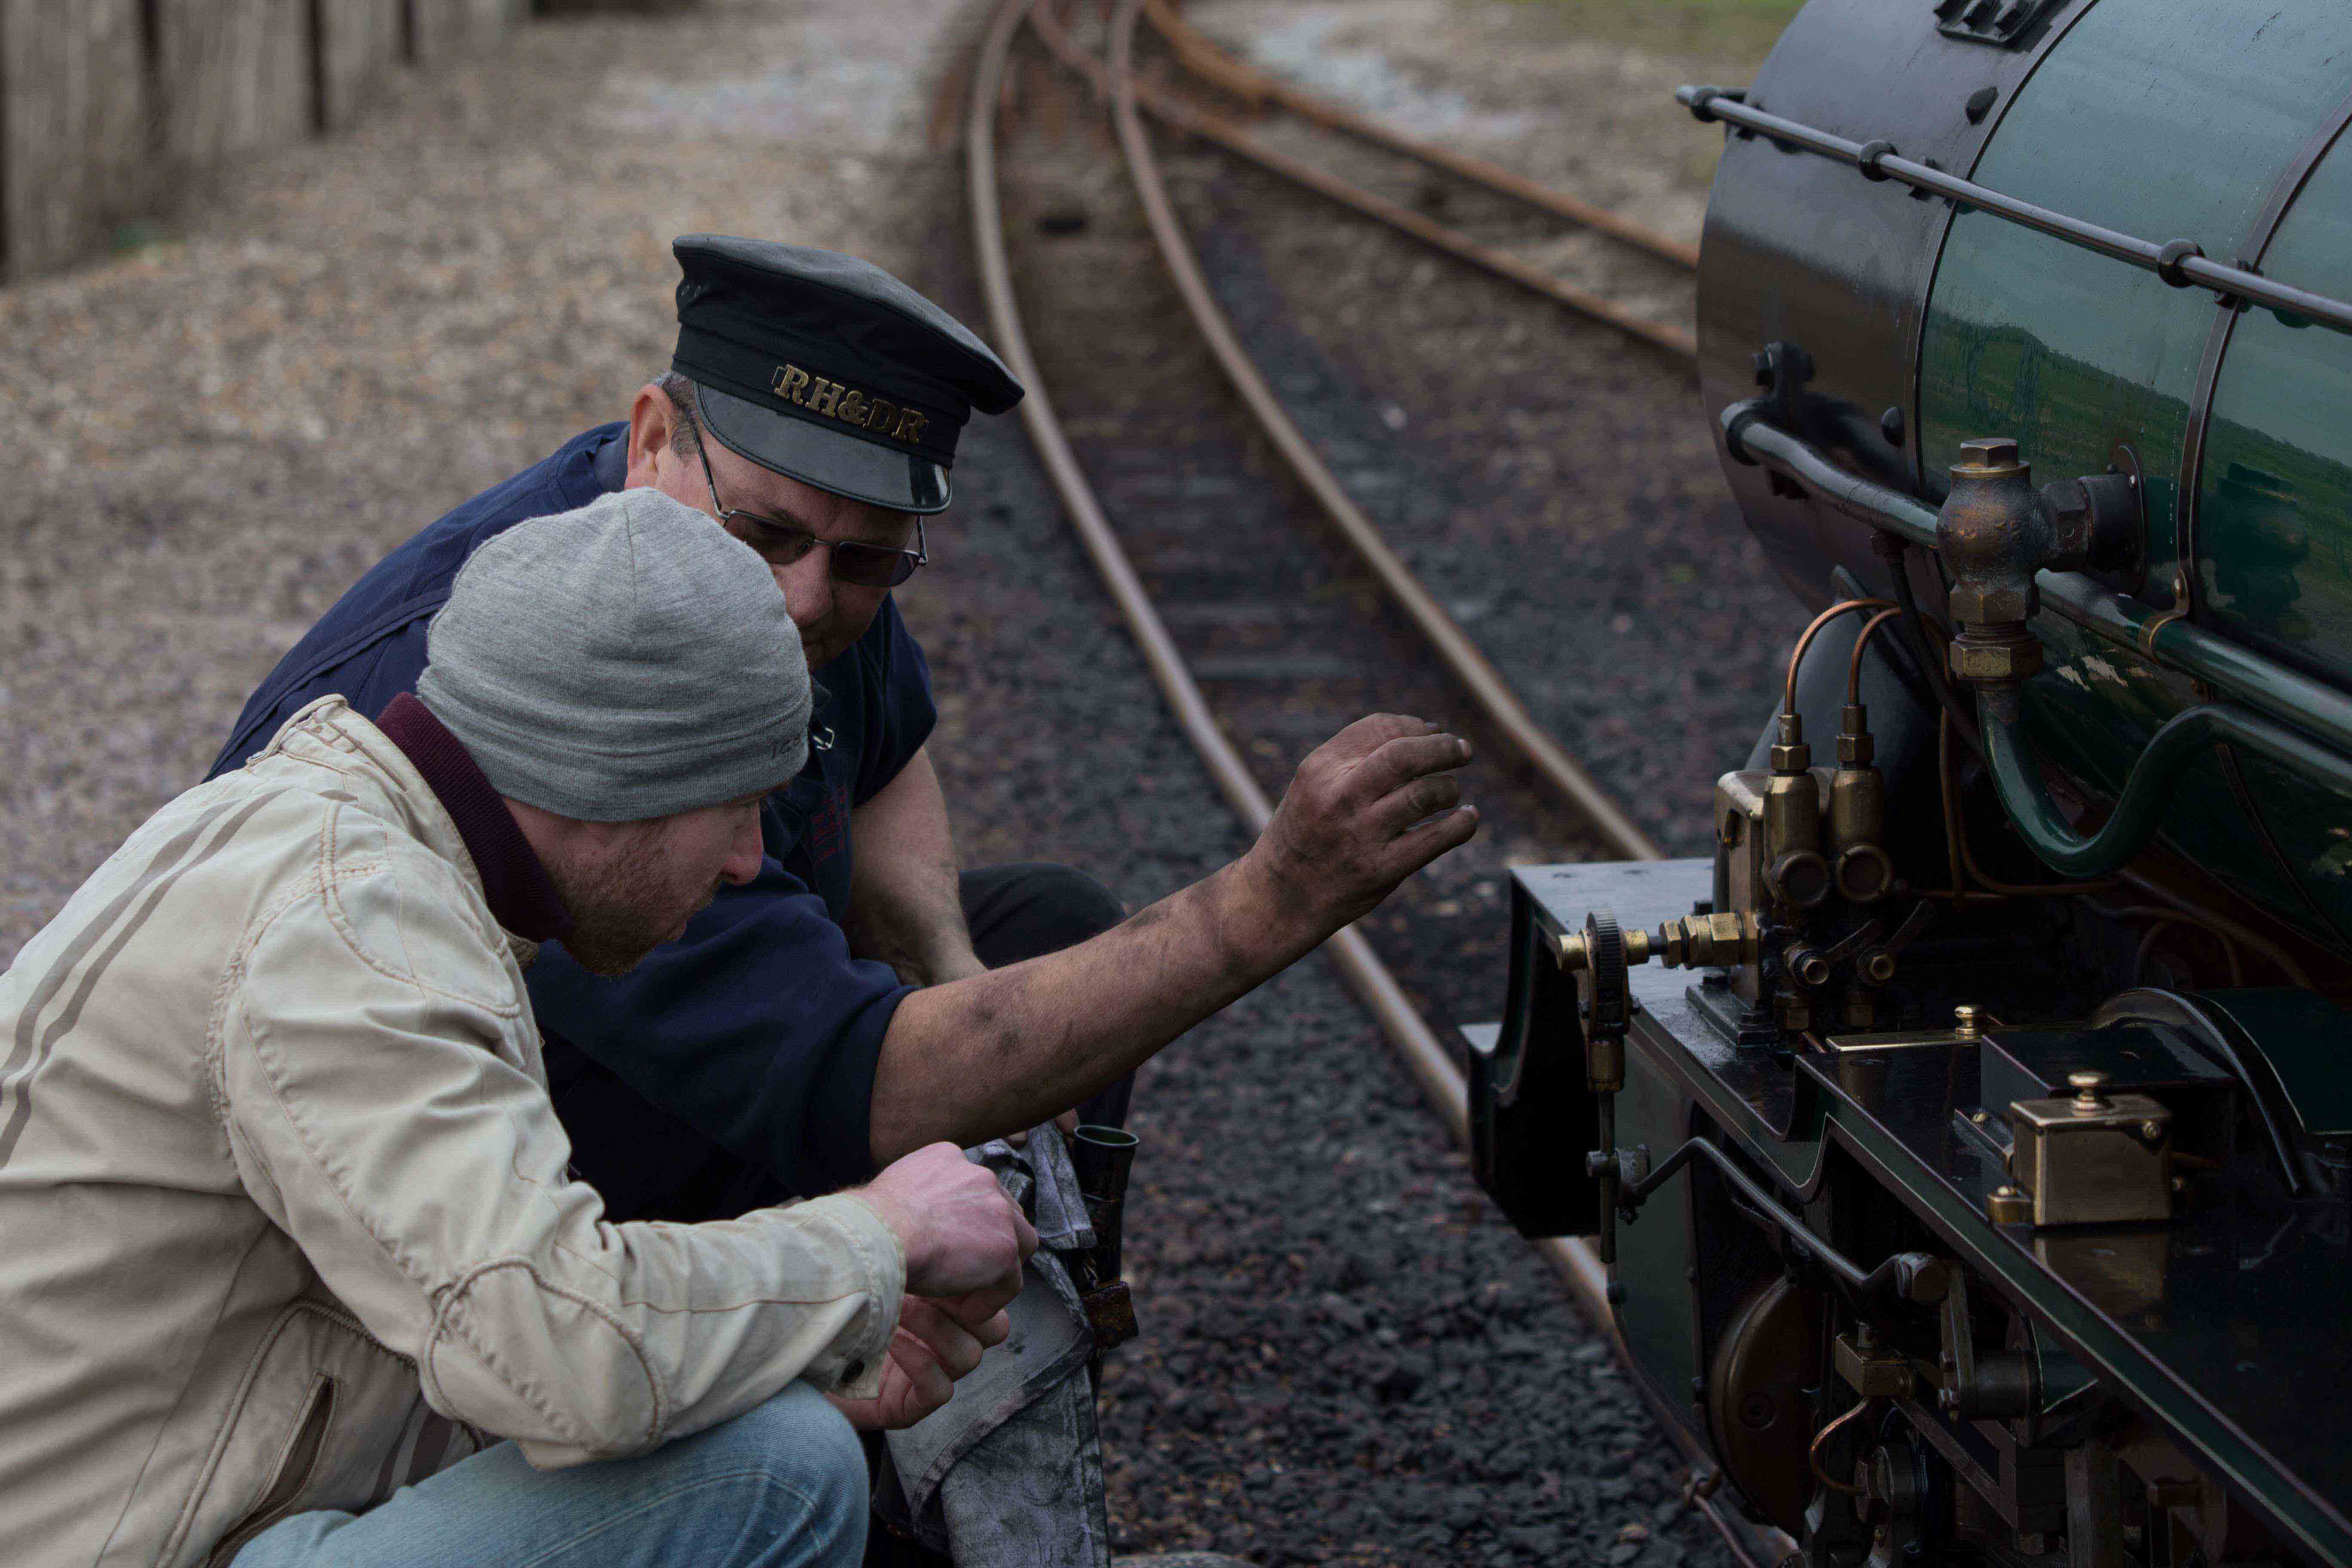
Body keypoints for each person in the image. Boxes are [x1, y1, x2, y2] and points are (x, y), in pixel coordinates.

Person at [208, 236, 1480, 1235]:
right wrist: (1266, 902)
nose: (806, 599)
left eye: (865, 560)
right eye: (768, 538)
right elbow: (845, 1081)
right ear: (655, 438)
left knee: (1045, 930)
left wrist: (946, 964)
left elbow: (885, 759)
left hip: (631, 1027)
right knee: (899, 1156)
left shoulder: (775, 554)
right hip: (423, 1186)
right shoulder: (563, 669)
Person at [0, 490, 1036, 1568]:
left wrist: (797, 1337)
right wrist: (879, 1238)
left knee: (746, 1428)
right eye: (737, 805)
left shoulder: (335, 844)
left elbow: (449, 1337)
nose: (744, 861)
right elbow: (561, 1351)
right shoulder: (358, 940)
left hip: (143, 1516)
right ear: (608, 781)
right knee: (777, 1468)